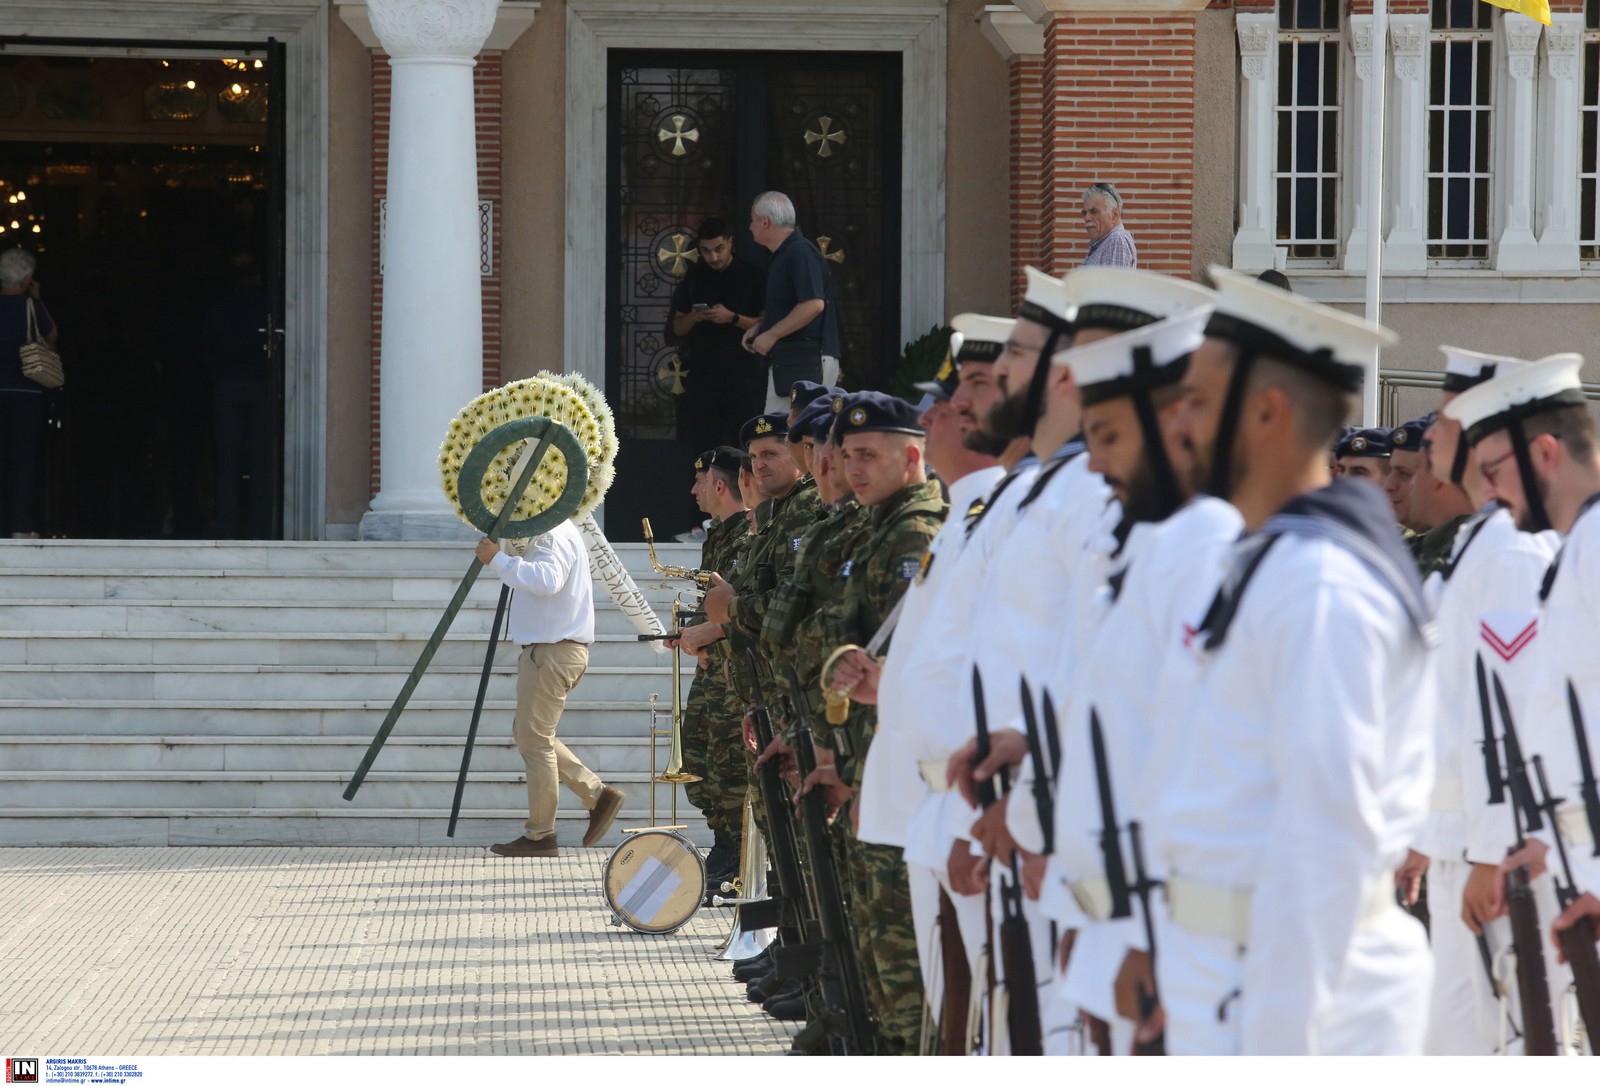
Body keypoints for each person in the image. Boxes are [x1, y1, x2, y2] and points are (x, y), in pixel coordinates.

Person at [1150, 268, 1433, 1055]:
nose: (1177, 422)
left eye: (1199, 401)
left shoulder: (1320, 586)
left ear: (1268, 412)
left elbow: (1324, 847)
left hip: (1297, 1004)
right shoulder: (1271, 564)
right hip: (1234, 976)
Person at [1443, 352, 1600, 972]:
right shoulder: (1575, 549)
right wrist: (1548, 844)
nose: (1490, 491)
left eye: (1493, 470)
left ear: (1543, 454)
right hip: (1571, 865)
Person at [475, 520, 624, 857]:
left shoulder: (552, 532)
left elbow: (547, 580)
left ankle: (542, 834)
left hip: (553, 651)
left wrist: (497, 559)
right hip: (551, 650)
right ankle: (595, 795)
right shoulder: (557, 531)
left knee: (535, 740)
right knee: (532, 735)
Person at [676, 446, 751, 887]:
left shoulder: (747, 536)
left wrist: (712, 632)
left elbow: (742, 607)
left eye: (700, 481)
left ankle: (737, 854)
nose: (693, 490)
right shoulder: (719, 537)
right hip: (712, 667)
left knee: (729, 766)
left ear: (720, 485)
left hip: (732, 670)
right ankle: (724, 844)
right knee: (700, 758)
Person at [669, 219, 768, 456]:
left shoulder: (752, 276)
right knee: (702, 447)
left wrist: (732, 318)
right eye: (706, 251)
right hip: (703, 377)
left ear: (730, 243)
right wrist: (695, 316)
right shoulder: (694, 277)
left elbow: (767, 324)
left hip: (743, 376)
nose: (713, 257)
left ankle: (743, 492)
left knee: (742, 443)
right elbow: (677, 327)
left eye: (718, 249)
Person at [742, 192, 840, 410]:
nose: (749, 227)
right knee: (782, 434)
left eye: (752, 220)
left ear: (765, 222)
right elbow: (793, 306)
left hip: (805, 360)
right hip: (792, 361)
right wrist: (762, 327)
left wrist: (771, 334)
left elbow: (813, 304)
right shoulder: (785, 254)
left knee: (784, 435)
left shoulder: (799, 251)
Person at [202, 253, 274, 539]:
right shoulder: (267, 306)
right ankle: (261, 527)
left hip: (227, 386)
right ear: (257, 278)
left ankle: (226, 526)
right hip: (259, 386)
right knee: (260, 460)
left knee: (228, 461)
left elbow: (206, 346)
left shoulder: (219, 307)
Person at [0, 247, 55, 539]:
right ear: (26, 279)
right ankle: (21, 526)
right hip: (26, 393)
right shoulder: (31, 307)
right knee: (23, 461)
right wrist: (36, 298)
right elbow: (52, 336)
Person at [1080, 183, 1138, 269]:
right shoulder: (1106, 242)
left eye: (1094, 212)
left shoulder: (1117, 239)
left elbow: (1115, 282)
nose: (1087, 218)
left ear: (1115, 214)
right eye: (1085, 213)